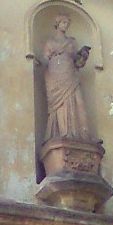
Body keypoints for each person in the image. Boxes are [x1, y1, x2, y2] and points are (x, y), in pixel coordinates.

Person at [40, 13, 92, 141]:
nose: (66, 25)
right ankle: (62, 132)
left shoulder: (72, 41)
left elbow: (77, 61)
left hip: (70, 72)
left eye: (67, 23)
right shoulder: (50, 42)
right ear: (58, 24)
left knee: (76, 100)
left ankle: (80, 134)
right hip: (55, 73)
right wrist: (41, 62)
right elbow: (45, 59)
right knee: (60, 104)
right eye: (64, 23)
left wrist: (83, 56)